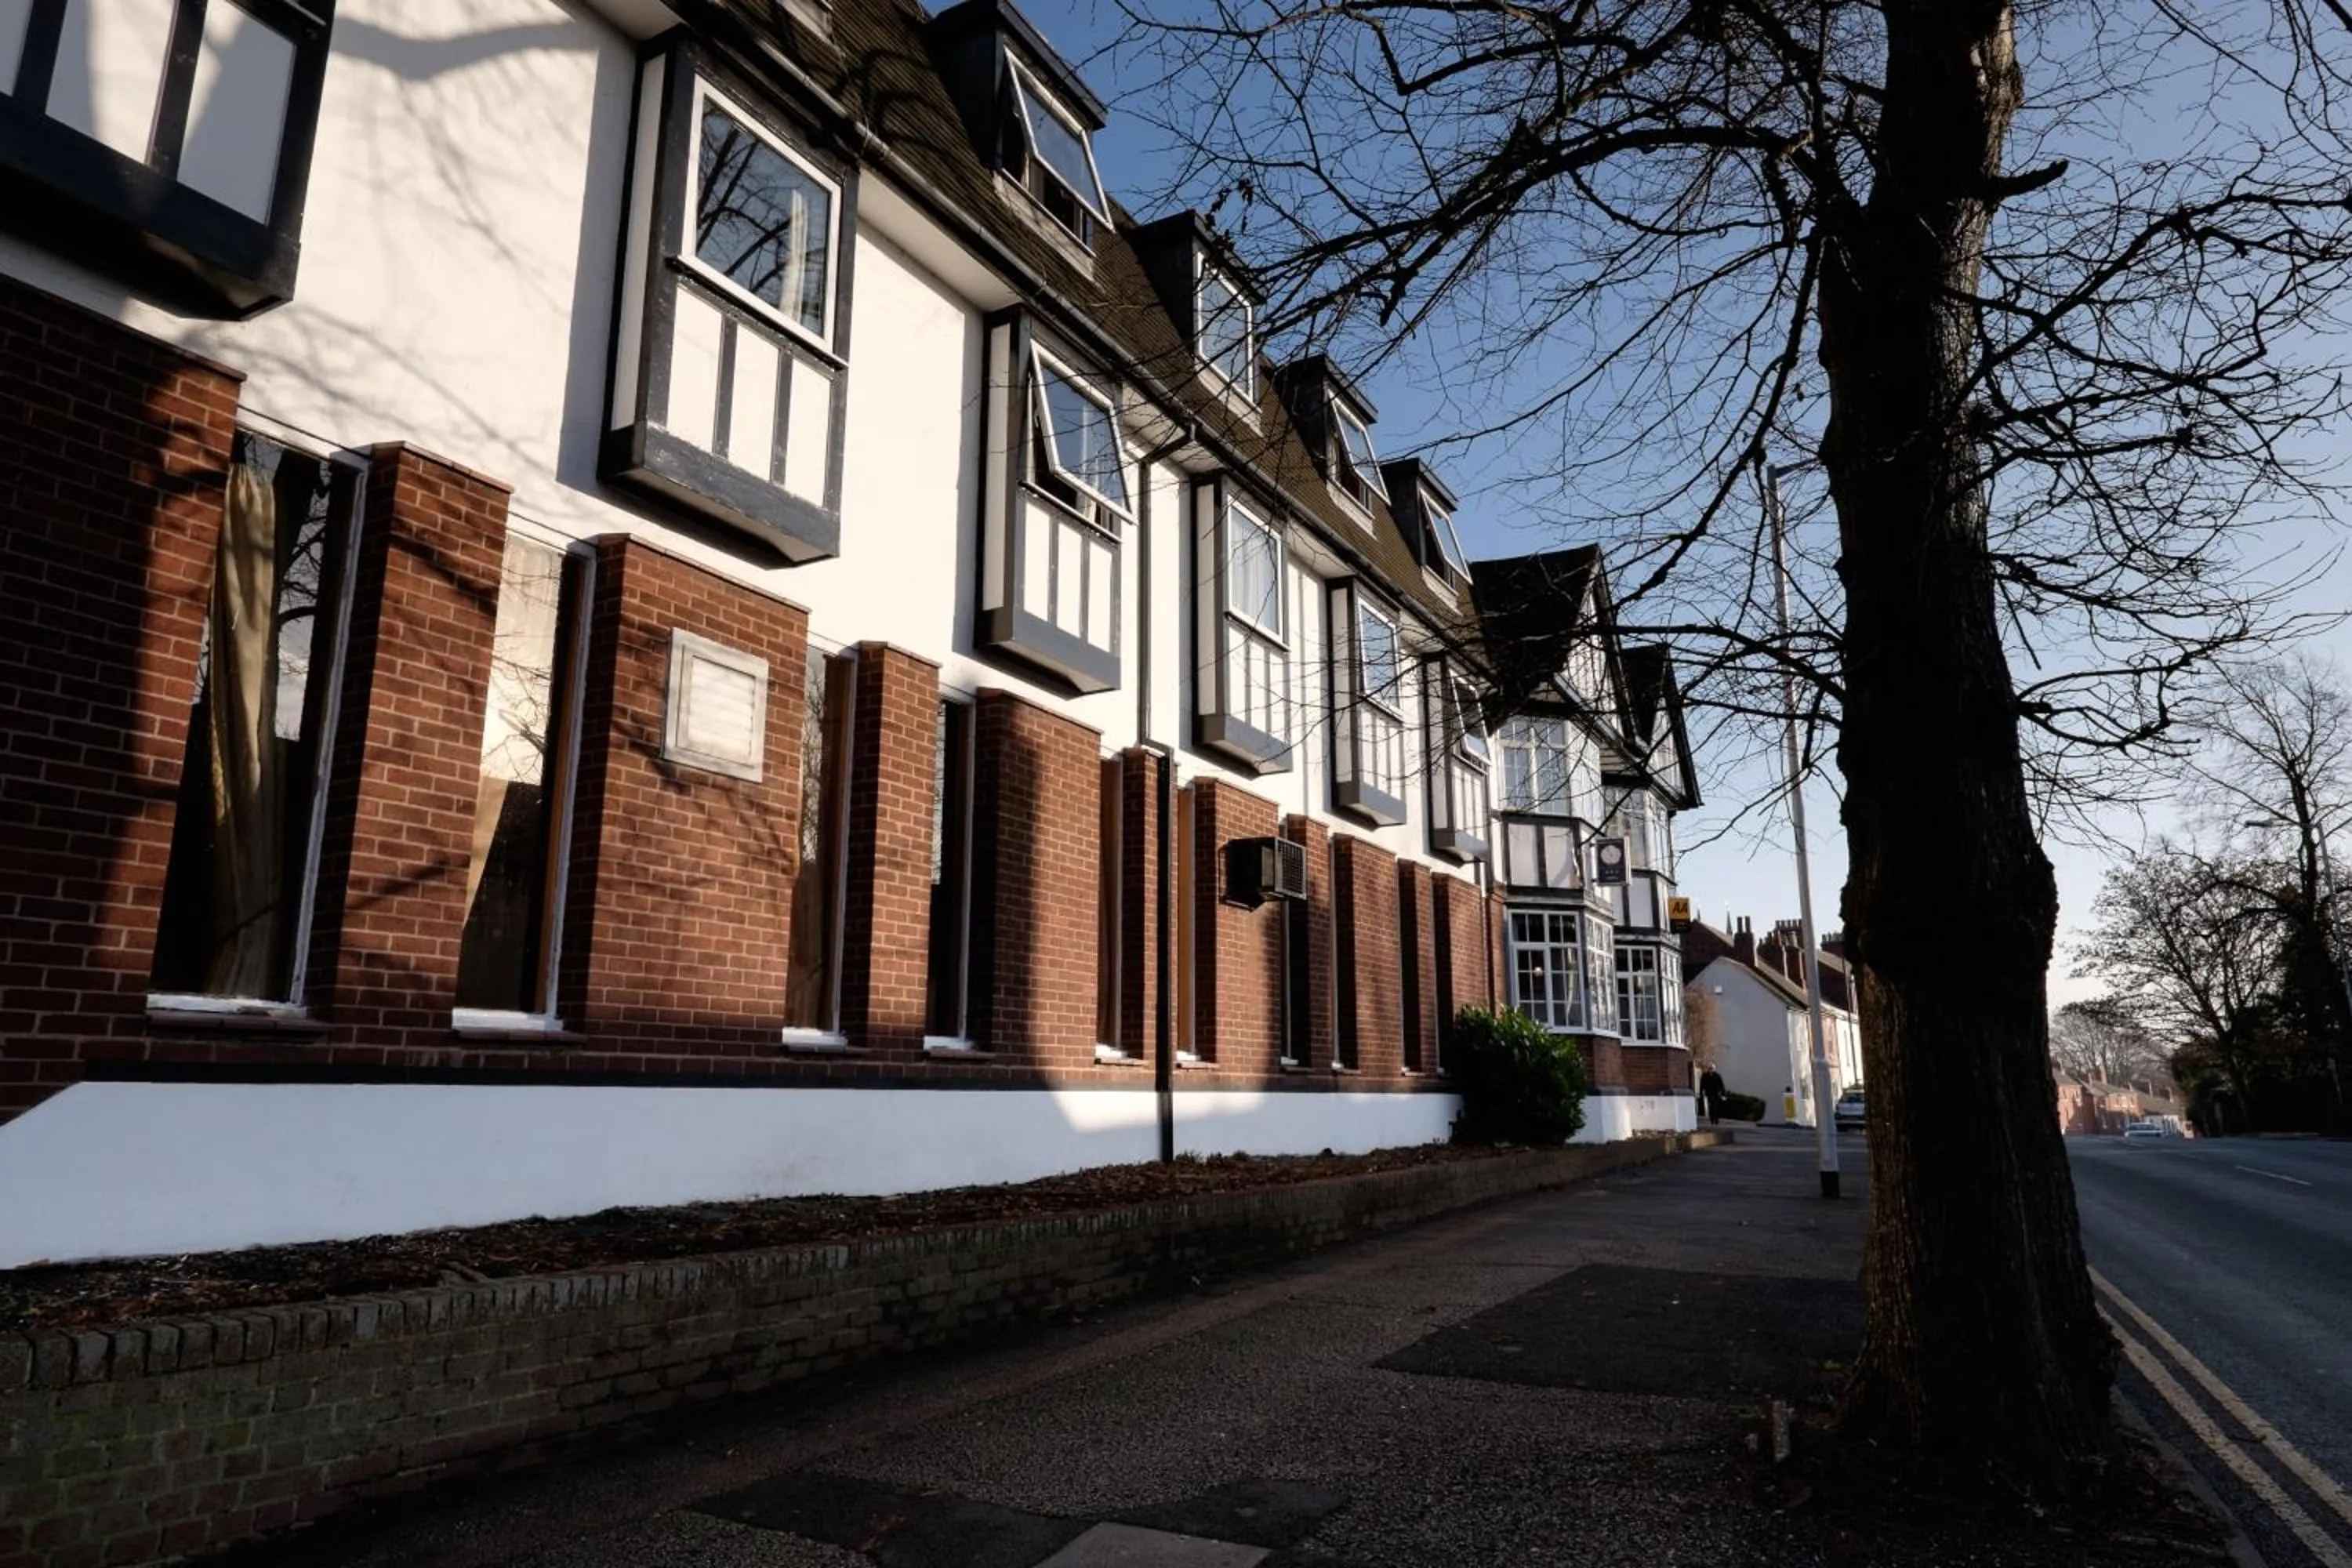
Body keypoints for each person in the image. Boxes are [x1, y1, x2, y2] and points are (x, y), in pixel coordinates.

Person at [1699, 1062, 1726, 1126]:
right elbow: (1702, 1085)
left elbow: (1721, 1085)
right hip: (1709, 1093)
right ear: (1708, 1069)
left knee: (1716, 1106)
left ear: (1714, 1069)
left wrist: (1723, 1093)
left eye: (1712, 1068)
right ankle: (1712, 1119)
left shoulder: (1717, 1076)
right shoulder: (1705, 1076)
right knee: (1711, 1106)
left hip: (1716, 1093)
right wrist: (1701, 1093)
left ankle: (1716, 1119)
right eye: (1710, 1068)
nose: (1711, 1070)